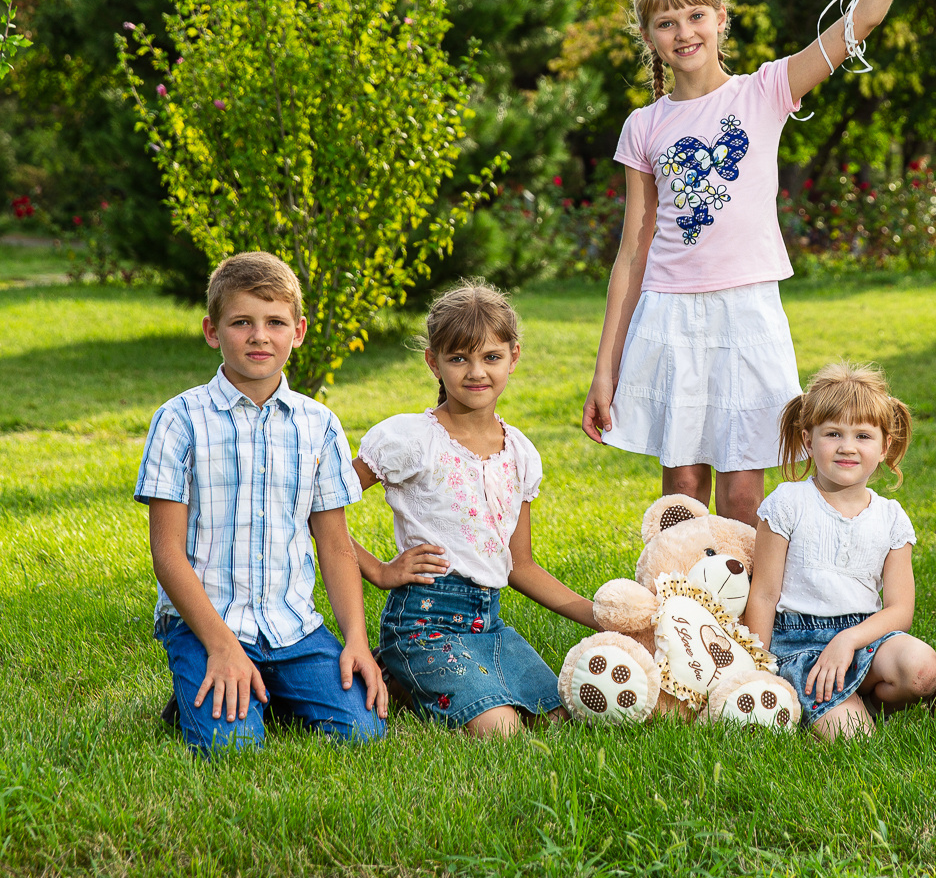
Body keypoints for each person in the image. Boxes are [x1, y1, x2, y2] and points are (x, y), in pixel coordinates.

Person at [581, 0, 936, 526]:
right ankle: (682, 594)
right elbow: (632, 250)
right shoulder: (644, 125)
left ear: (721, 19)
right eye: (666, 22)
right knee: (682, 489)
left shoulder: (766, 91)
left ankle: (748, 596)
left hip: (746, 310)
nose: (684, 32)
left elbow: (863, 19)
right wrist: (605, 366)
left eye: (696, 15)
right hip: (669, 314)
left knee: (744, 494)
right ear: (648, 37)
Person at [135, 251, 386, 754]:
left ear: (299, 331)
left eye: (275, 322)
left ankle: (267, 690)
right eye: (241, 322)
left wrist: (356, 640)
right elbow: (167, 554)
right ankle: (207, 685)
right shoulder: (180, 420)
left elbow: (335, 545)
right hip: (207, 624)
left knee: (363, 732)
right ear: (212, 331)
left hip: (292, 627)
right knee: (232, 749)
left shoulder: (319, 425)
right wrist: (221, 645)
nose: (259, 336)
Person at [354, 282, 598, 737]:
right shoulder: (410, 439)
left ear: (513, 357)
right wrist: (379, 571)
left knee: (559, 719)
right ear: (433, 361)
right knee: (501, 730)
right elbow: (319, 507)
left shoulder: (520, 454)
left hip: (489, 624)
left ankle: (406, 683)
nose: (476, 372)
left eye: (491, 357)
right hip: (423, 622)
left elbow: (520, 565)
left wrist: (601, 616)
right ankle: (401, 668)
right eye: (458, 359)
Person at [741, 362, 936, 739]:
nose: (847, 447)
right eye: (833, 433)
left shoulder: (891, 517)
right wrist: (756, 670)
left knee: (922, 669)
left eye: (863, 436)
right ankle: (841, 707)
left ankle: (863, 699)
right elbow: (765, 594)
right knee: (855, 740)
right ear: (808, 440)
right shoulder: (787, 503)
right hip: (800, 646)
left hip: (865, 638)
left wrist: (849, 639)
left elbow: (900, 610)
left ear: (884, 447)